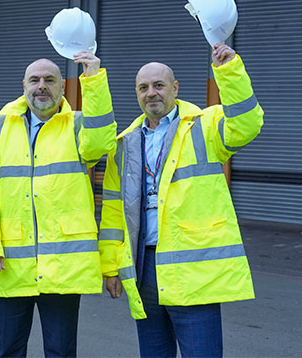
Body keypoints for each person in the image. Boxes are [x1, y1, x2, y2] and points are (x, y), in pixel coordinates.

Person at [100, 42, 264, 358]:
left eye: (159, 85)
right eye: (143, 87)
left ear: (175, 88)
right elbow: (112, 210)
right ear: (136, 94)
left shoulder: (205, 125)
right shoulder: (123, 145)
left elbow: (247, 125)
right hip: (143, 266)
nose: (151, 93)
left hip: (193, 269)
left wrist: (229, 71)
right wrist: (110, 266)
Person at [0, 52, 117, 357]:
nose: (41, 86)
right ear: (23, 86)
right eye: (35, 80)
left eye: (50, 80)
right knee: (8, 349)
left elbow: (102, 141)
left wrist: (94, 80)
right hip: (12, 260)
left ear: (63, 87)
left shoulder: (77, 126)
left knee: (61, 351)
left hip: (63, 266)